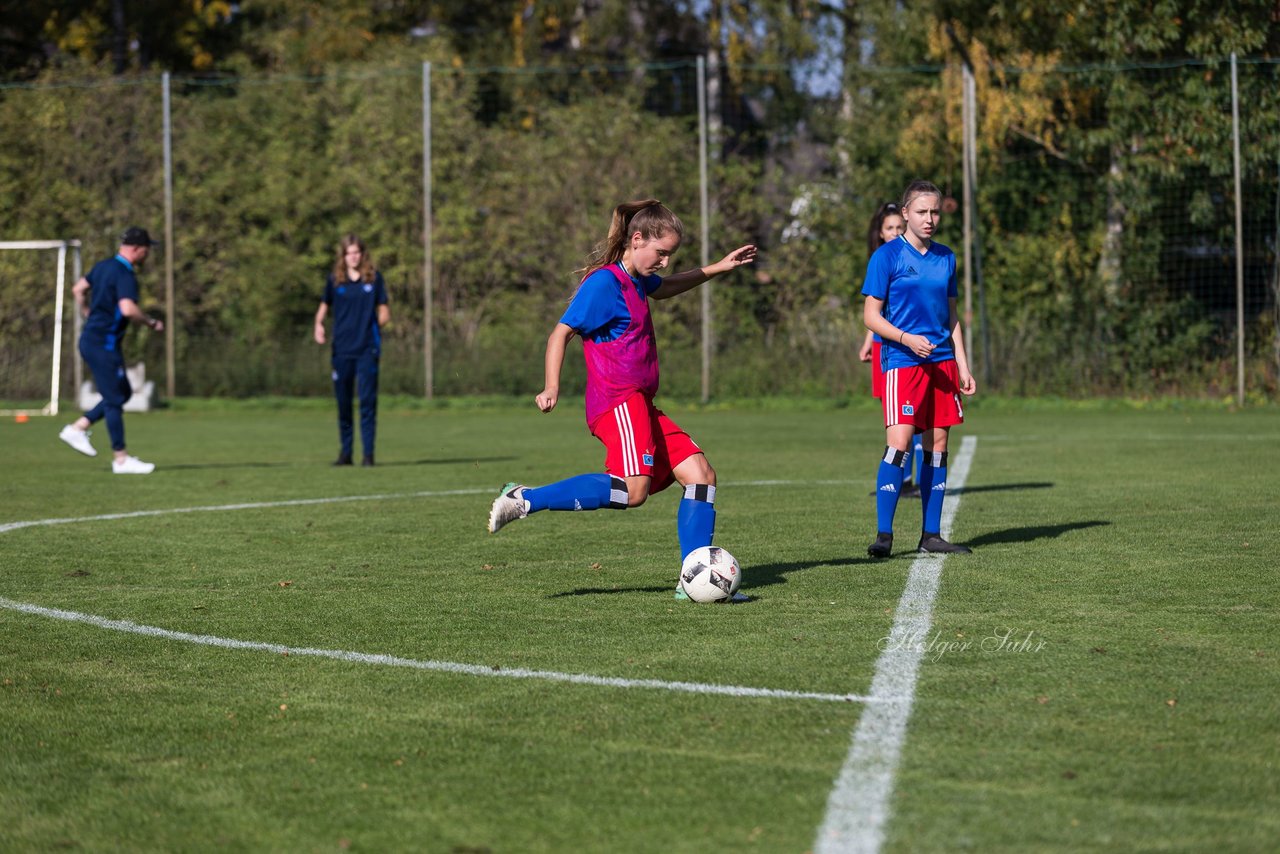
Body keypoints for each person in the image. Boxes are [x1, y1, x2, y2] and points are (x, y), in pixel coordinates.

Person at [486, 199, 756, 599]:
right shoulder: (604, 284)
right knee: (633, 491)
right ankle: (525, 499)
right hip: (618, 401)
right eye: (661, 252)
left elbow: (666, 289)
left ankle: (691, 582)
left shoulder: (636, 280)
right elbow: (561, 333)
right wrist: (552, 386)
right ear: (637, 238)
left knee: (700, 475)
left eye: (670, 254)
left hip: (640, 404)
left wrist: (718, 267)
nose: (664, 261)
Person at [861, 180, 976, 557]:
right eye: (922, 211)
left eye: (935, 212)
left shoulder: (946, 257)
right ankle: (884, 535)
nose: (930, 219)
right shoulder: (886, 257)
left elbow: (952, 316)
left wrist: (962, 364)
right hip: (903, 362)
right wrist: (906, 338)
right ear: (906, 213)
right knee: (899, 446)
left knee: (938, 448)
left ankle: (931, 535)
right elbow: (871, 316)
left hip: (942, 364)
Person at [58, 226, 164, 474]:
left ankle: (78, 428)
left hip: (93, 341)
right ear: (137, 249)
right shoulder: (125, 274)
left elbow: (78, 289)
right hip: (102, 344)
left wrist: (86, 311)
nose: (148, 255)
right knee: (116, 398)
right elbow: (127, 309)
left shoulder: (103, 266)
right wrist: (149, 322)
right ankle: (121, 459)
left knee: (122, 392)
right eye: (147, 250)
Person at [857, 201, 923, 498]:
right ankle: (901, 476)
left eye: (899, 226)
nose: (896, 232)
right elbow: (875, 311)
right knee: (896, 416)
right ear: (880, 233)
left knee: (915, 416)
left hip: (908, 348)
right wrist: (869, 341)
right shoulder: (881, 260)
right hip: (886, 347)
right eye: (890, 228)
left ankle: (913, 479)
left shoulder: (916, 258)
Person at [314, 234, 390, 466]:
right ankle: (345, 454)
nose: (353, 256)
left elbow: (385, 311)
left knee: (367, 403)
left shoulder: (374, 279)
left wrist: (372, 326)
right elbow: (323, 306)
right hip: (342, 351)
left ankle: (368, 455)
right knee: (344, 403)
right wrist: (318, 324)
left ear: (362, 254)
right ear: (344, 256)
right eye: (349, 253)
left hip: (367, 350)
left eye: (357, 252)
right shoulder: (335, 281)